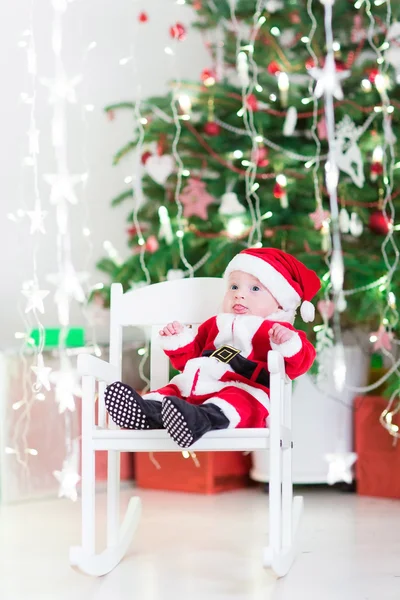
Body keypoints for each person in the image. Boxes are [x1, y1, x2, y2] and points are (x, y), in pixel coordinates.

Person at [104, 247, 321, 448]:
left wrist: (288, 344)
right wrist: (178, 340)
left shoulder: (276, 330)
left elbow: (299, 363)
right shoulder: (214, 324)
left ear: (281, 302)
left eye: (255, 288)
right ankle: (144, 411)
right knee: (172, 391)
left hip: (246, 390)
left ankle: (198, 421)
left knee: (235, 401)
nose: (239, 294)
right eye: (234, 286)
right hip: (194, 385)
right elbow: (186, 361)